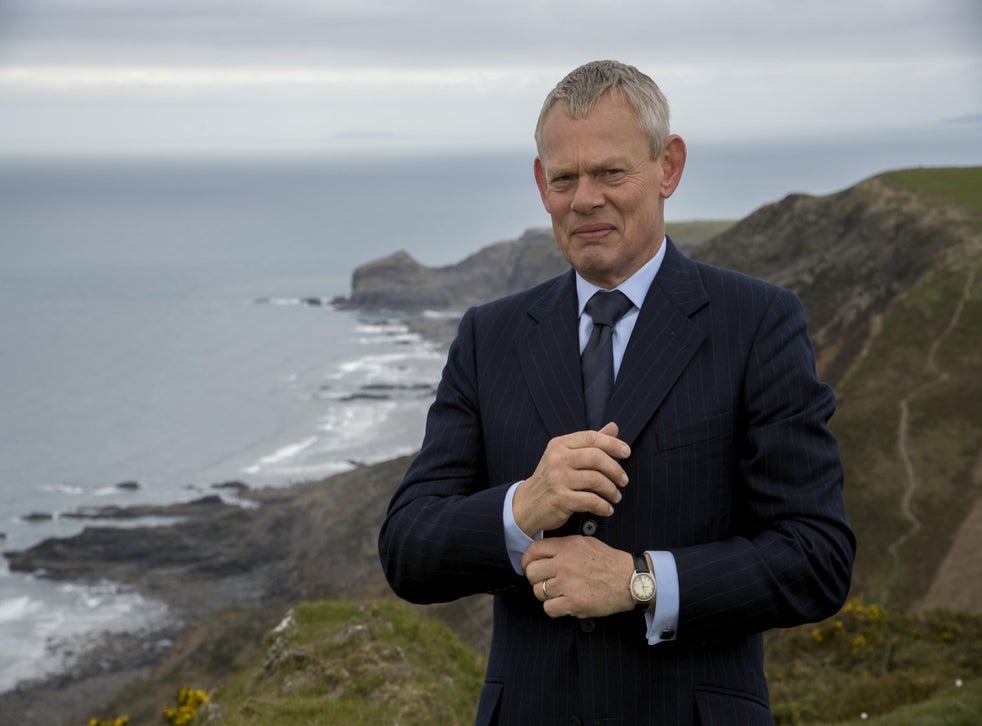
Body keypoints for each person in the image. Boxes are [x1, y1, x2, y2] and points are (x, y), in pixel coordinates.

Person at [378, 60, 855, 725]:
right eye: (565, 178)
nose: (585, 200)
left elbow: (817, 557)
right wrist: (522, 507)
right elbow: (406, 547)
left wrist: (640, 581)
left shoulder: (757, 323)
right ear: (541, 184)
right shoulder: (489, 336)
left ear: (669, 167)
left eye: (610, 173)